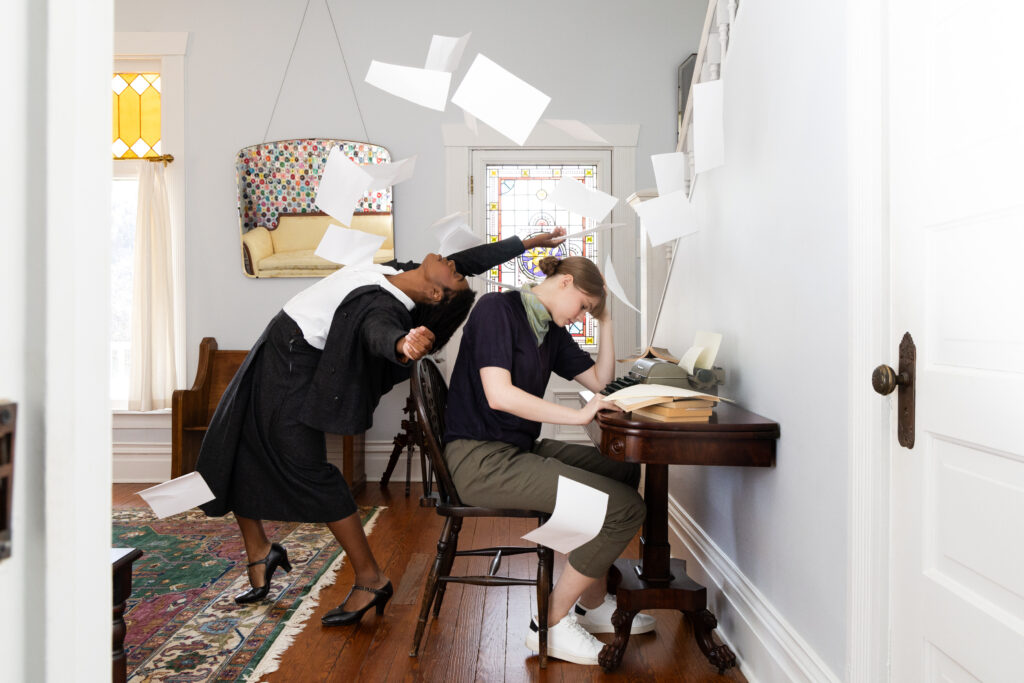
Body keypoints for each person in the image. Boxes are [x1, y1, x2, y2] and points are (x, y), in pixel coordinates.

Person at [195, 228, 566, 627]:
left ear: (436, 294)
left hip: (292, 367)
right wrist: (527, 244)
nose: (453, 263)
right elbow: (468, 262)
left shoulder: (385, 306)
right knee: (238, 443)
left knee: (311, 472)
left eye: (455, 274)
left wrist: (402, 345)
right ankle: (259, 553)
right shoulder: (399, 273)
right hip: (273, 346)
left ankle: (371, 578)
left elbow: (380, 332)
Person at [443, 255, 655, 666]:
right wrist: (577, 415)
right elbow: (498, 395)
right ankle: (549, 624)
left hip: (513, 449)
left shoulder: (550, 331)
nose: (580, 317)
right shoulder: (496, 310)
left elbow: (601, 382)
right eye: (583, 306)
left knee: (624, 470)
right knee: (626, 509)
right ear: (565, 283)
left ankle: (590, 604)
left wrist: (606, 320)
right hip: (479, 460)